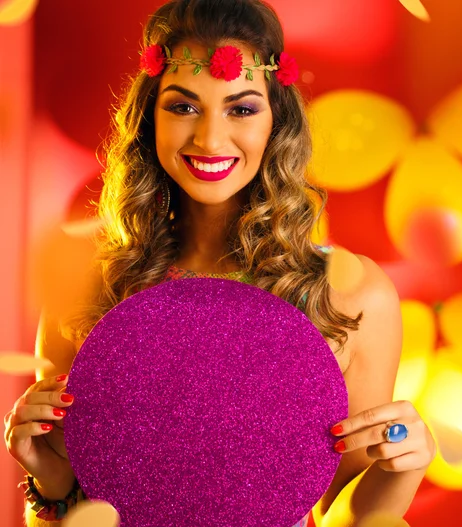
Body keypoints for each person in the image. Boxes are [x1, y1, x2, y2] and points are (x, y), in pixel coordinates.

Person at [3, 0, 436, 525]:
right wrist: (47, 479)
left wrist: (400, 471)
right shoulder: (89, 283)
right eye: (184, 107)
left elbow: (341, 512)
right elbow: (73, 509)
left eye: (242, 108)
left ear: (278, 120)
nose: (210, 138)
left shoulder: (349, 294)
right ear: (149, 119)